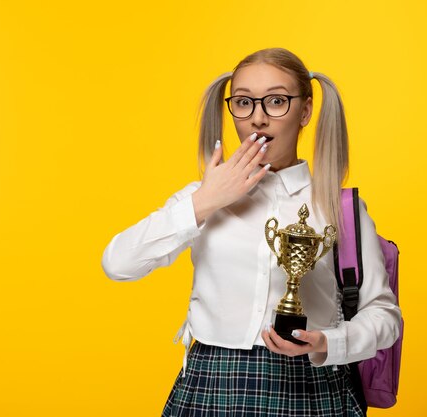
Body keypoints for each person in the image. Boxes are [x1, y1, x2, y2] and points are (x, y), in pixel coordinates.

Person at [100, 47, 402, 417]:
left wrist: (329, 342)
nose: (258, 118)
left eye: (277, 101)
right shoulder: (201, 198)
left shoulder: (338, 207)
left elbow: (384, 316)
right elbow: (118, 263)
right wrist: (205, 201)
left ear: (305, 111)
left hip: (311, 387)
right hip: (212, 384)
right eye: (243, 103)